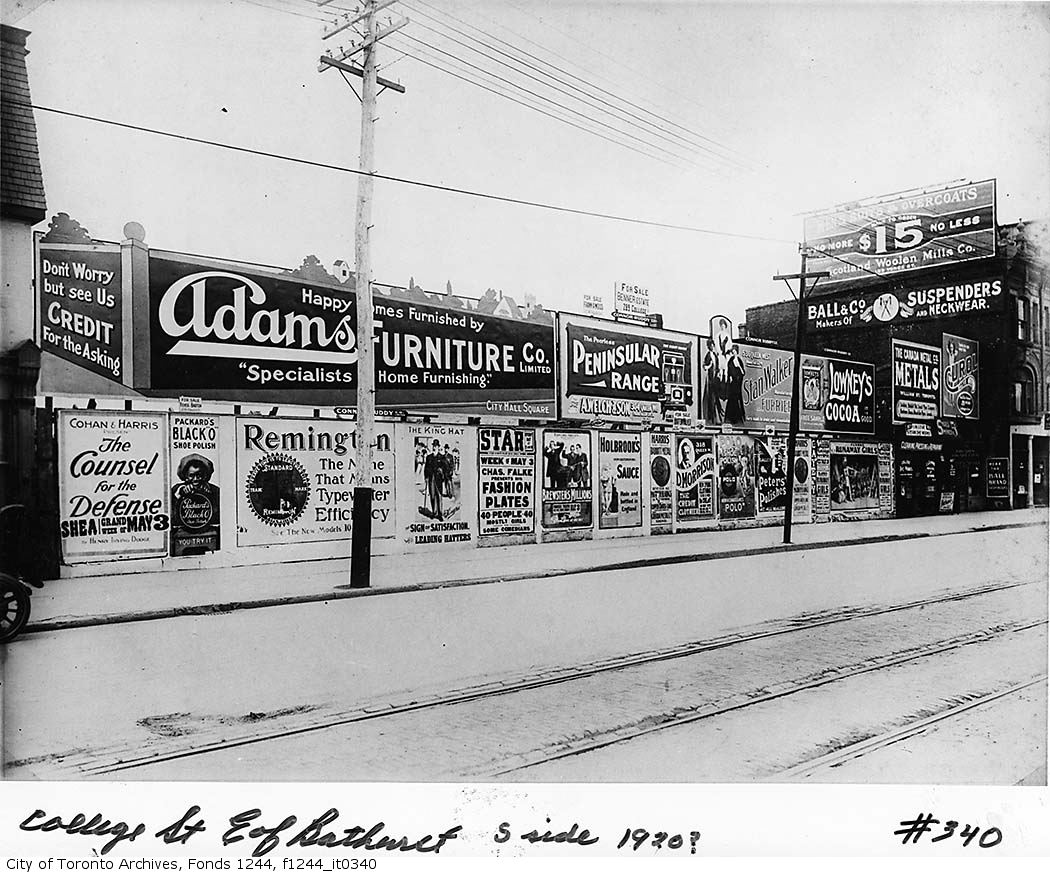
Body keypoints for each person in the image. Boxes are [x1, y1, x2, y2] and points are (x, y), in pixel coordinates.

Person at [423, 439, 445, 520]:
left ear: (438, 447)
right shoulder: (429, 457)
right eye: (433, 446)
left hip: (438, 479)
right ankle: (434, 512)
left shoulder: (441, 457)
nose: (434, 447)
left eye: (436, 446)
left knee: (439, 496)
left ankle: (440, 514)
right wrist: (426, 477)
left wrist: (442, 472)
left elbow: (444, 468)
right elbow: (426, 468)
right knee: (432, 496)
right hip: (431, 479)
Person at [725, 346, 746, 424]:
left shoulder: (739, 360)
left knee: (737, 399)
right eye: (732, 351)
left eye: (734, 351)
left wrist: (739, 367)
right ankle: (730, 418)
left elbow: (743, 373)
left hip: (738, 383)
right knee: (732, 399)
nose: (733, 352)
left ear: (737, 351)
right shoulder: (730, 361)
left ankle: (738, 418)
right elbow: (729, 373)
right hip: (732, 383)